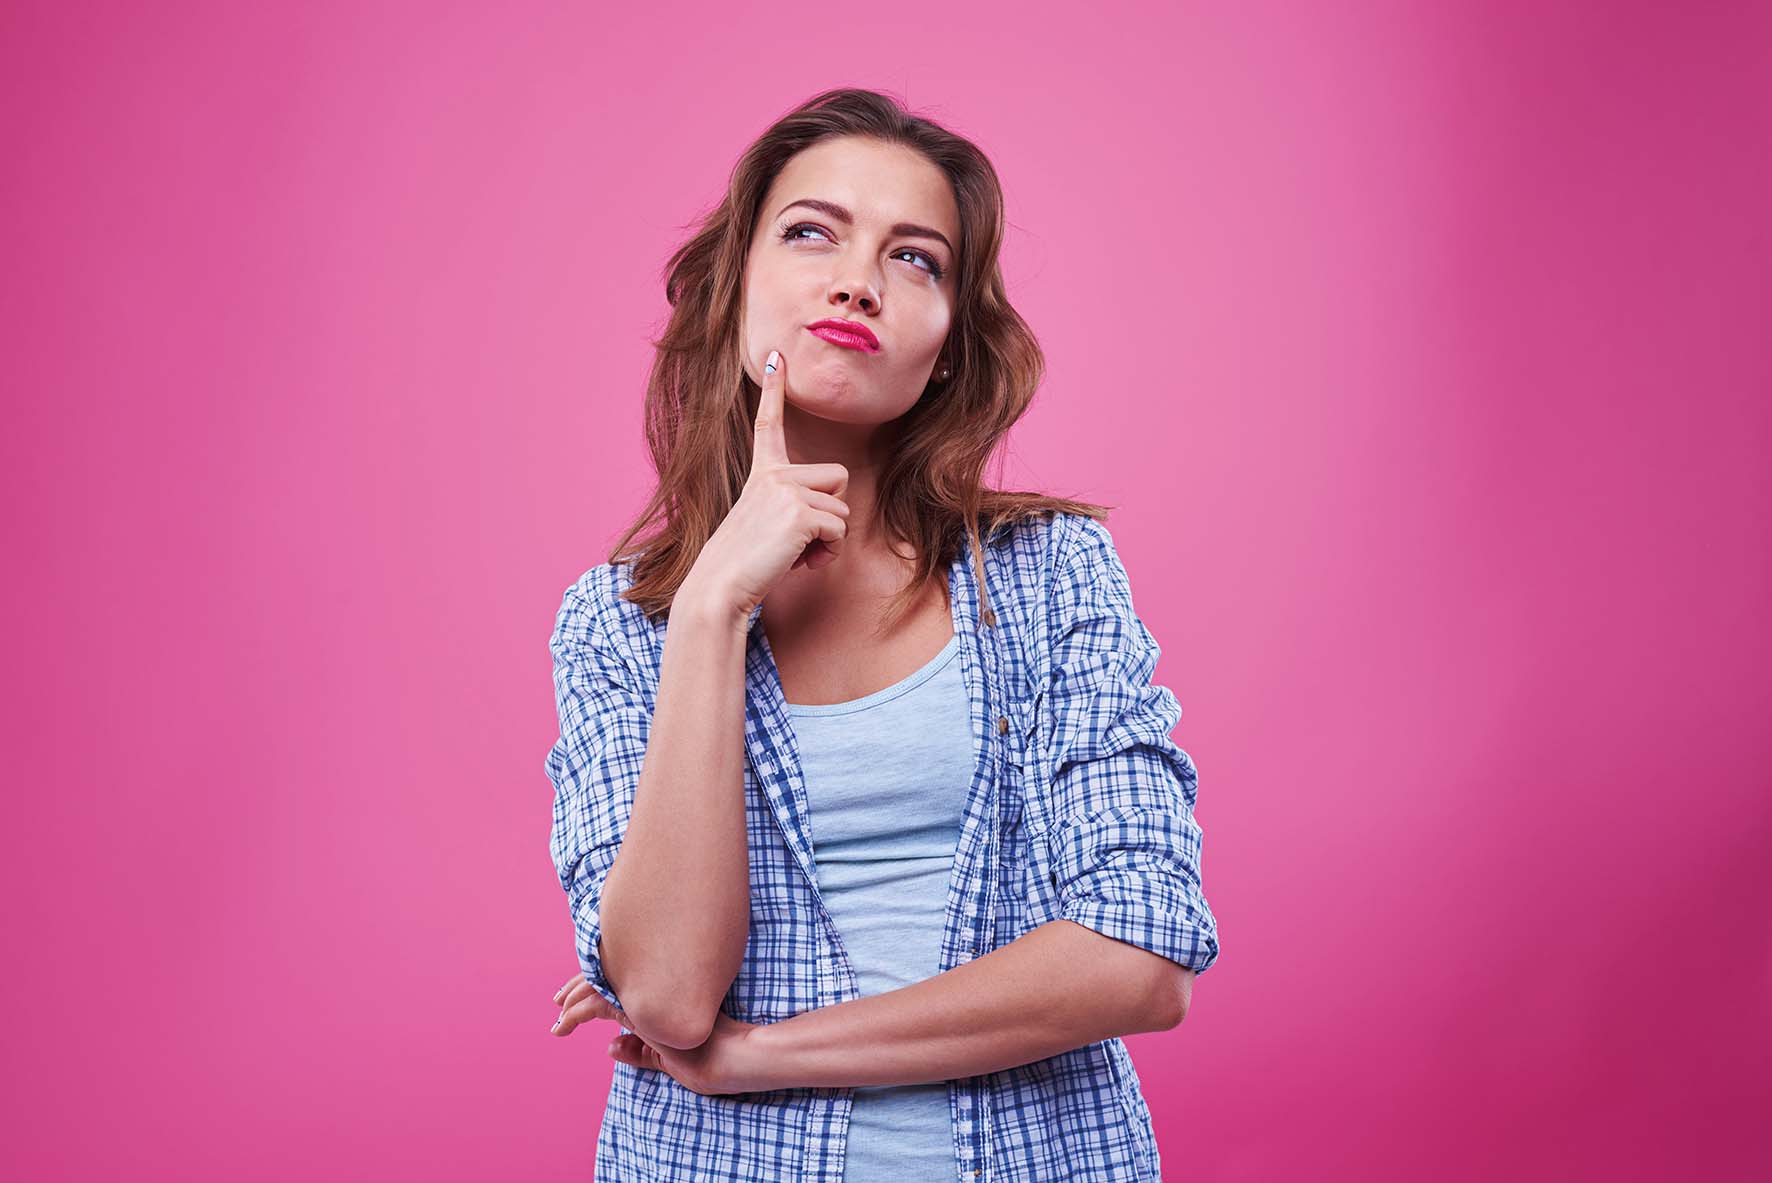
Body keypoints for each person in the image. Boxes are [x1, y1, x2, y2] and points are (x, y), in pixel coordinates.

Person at [543, 86, 1221, 1182]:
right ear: (732, 290)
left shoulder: (1048, 579)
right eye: (811, 232)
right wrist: (713, 606)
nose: (857, 277)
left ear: (948, 345)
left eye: (915, 259)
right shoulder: (623, 624)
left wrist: (761, 1055)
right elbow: (668, 991)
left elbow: (1140, 954)